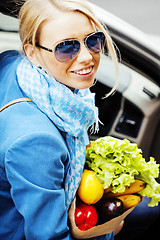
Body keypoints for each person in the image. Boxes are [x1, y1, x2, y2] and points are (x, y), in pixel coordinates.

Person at [0, 0, 120, 239]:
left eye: (93, 40)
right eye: (66, 48)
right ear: (32, 53)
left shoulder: (12, 64)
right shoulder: (37, 141)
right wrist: (108, 233)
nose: (87, 57)